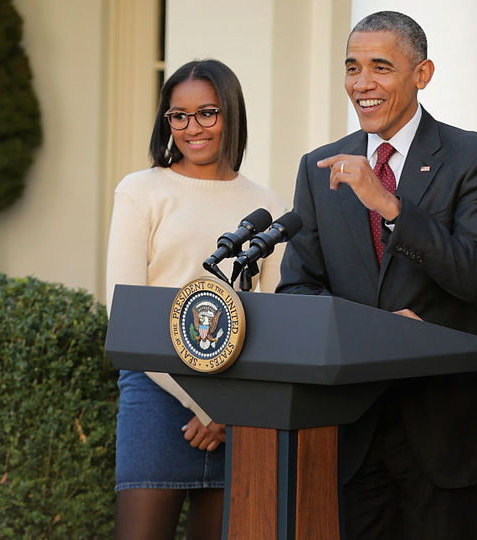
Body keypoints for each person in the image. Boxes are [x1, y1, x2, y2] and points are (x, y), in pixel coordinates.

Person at [277, 10, 477, 540]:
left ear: (422, 74)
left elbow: (476, 273)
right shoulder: (320, 168)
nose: (362, 84)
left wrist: (390, 205)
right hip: (353, 429)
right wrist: (373, 333)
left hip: (442, 426)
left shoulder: (475, 157)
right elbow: (298, 289)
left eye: (380, 67)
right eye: (352, 68)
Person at [105, 59, 286, 539]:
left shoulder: (267, 205)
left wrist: (227, 411)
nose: (192, 128)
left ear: (231, 113)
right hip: (155, 390)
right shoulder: (141, 191)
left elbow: (274, 316)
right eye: (177, 116)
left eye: (207, 113)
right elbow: (124, 314)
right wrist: (202, 406)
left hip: (238, 405)